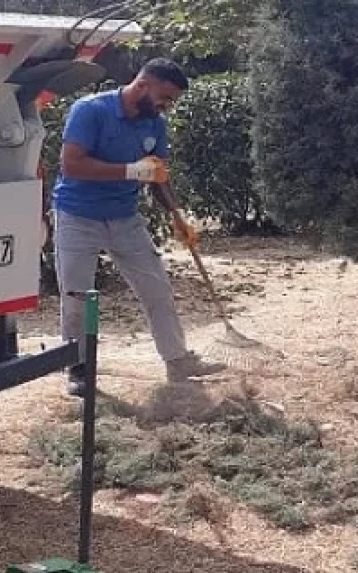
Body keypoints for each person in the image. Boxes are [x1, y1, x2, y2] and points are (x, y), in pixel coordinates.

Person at [51, 57, 227, 395]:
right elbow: (72, 165)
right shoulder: (90, 110)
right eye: (165, 97)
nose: (167, 106)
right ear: (143, 84)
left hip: (125, 218)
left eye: (172, 100)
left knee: (157, 289)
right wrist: (133, 171)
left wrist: (178, 216)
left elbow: (157, 174)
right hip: (77, 217)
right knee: (78, 296)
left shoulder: (153, 123)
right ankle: (79, 370)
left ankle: (178, 362)